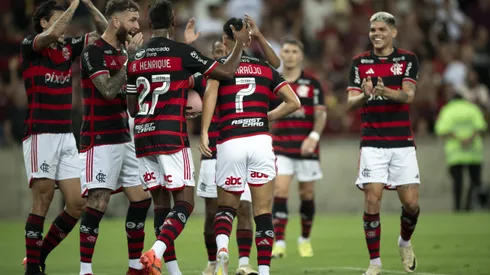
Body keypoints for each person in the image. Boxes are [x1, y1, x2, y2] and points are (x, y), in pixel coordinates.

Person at [124, 1, 250, 274]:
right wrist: (239, 43)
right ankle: (155, 252)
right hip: (170, 136)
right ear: (173, 21)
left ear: (148, 21)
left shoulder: (135, 57)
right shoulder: (182, 52)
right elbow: (226, 72)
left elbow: (132, 108)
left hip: (143, 137)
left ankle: (170, 271)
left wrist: (176, 96)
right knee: (185, 202)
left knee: (160, 206)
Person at [199, 17, 301, 275]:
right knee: (263, 211)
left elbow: (210, 94)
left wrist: (203, 130)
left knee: (225, 207)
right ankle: (264, 270)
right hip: (260, 141)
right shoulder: (264, 67)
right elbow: (294, 102)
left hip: (231, 140)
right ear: (246, 40)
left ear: (225, 39)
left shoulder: (219, 67)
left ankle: (222, 249)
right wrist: (267, 117)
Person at [20, 0, 107, 274]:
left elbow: (106, 33)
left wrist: (88, 5)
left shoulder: (69, 47)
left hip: (65, 136)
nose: (65, 24)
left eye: (66, 19)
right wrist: (72, 5)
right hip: (40, 135)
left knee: (77, 203)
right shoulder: (31, 45)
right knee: (43, 200)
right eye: (58, 19)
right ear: (44, 22)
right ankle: (33, 269)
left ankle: (39, 255)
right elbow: (54, 34)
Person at [78, 1, 151, 275]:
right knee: (98, 200)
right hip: (100, 137)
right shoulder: (92, 52)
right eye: (133, 20)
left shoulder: (122, 51)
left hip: (124, 135)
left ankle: (135, 268)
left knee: (141, 199)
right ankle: (85, 271)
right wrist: (131, 60)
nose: (137, 25)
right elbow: (108, 90)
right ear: (118, 22)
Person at [346, 12, 421, 275]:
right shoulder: (359, 61)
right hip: (372, 142)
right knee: (372, 201)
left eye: (381, 29)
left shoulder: (407, 59)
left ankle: (404, 241)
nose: (376, 33)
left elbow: (408, 96)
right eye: (372, 30)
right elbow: (350, 102)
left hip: (401, 141)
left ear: (393, 32)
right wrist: (365, 95)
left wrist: (383, 91)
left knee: (411, 205)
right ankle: (375, 262)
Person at [270, 38, 327, 259]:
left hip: (306, 148)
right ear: (281, 55)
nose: (290, 55)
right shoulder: (275, 82)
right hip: (281, 147)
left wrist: (313, 137)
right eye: (286, 51)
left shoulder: (312, 83)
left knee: (307, 194)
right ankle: (280, 242)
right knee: (280, 191)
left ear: (301, 55)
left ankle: (304, 239)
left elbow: (321, 113)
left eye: (295, 50)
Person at [435, 92, 488, 211]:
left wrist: (460, 139)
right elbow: (481, 127)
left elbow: (442, 131)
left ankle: (457, 208)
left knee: (457, 182)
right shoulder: (473, 109)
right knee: (474, 181)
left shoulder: (447, 110)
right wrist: (469, 139)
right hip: (473, 151)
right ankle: (468, 207)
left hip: (455, 153)